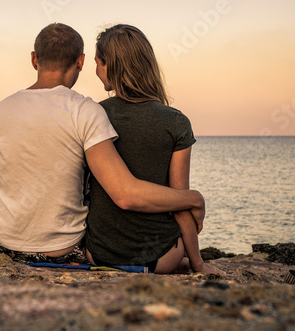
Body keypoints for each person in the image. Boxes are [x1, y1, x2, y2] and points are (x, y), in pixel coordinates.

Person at [0, 23, 205, 265]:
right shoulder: (86, 111)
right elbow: (124, 194)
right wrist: (194, 200)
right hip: (64, 251)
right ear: (80, 62)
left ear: (34, 59)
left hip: (5, 247)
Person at [86, 24, 224, 274]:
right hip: (159, 261)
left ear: (109, 64)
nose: (95, 70)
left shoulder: (93, 115)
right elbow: (180, 200)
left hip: (98, 255)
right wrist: (198, 263)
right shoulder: (176, 121)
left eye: (97, 62)